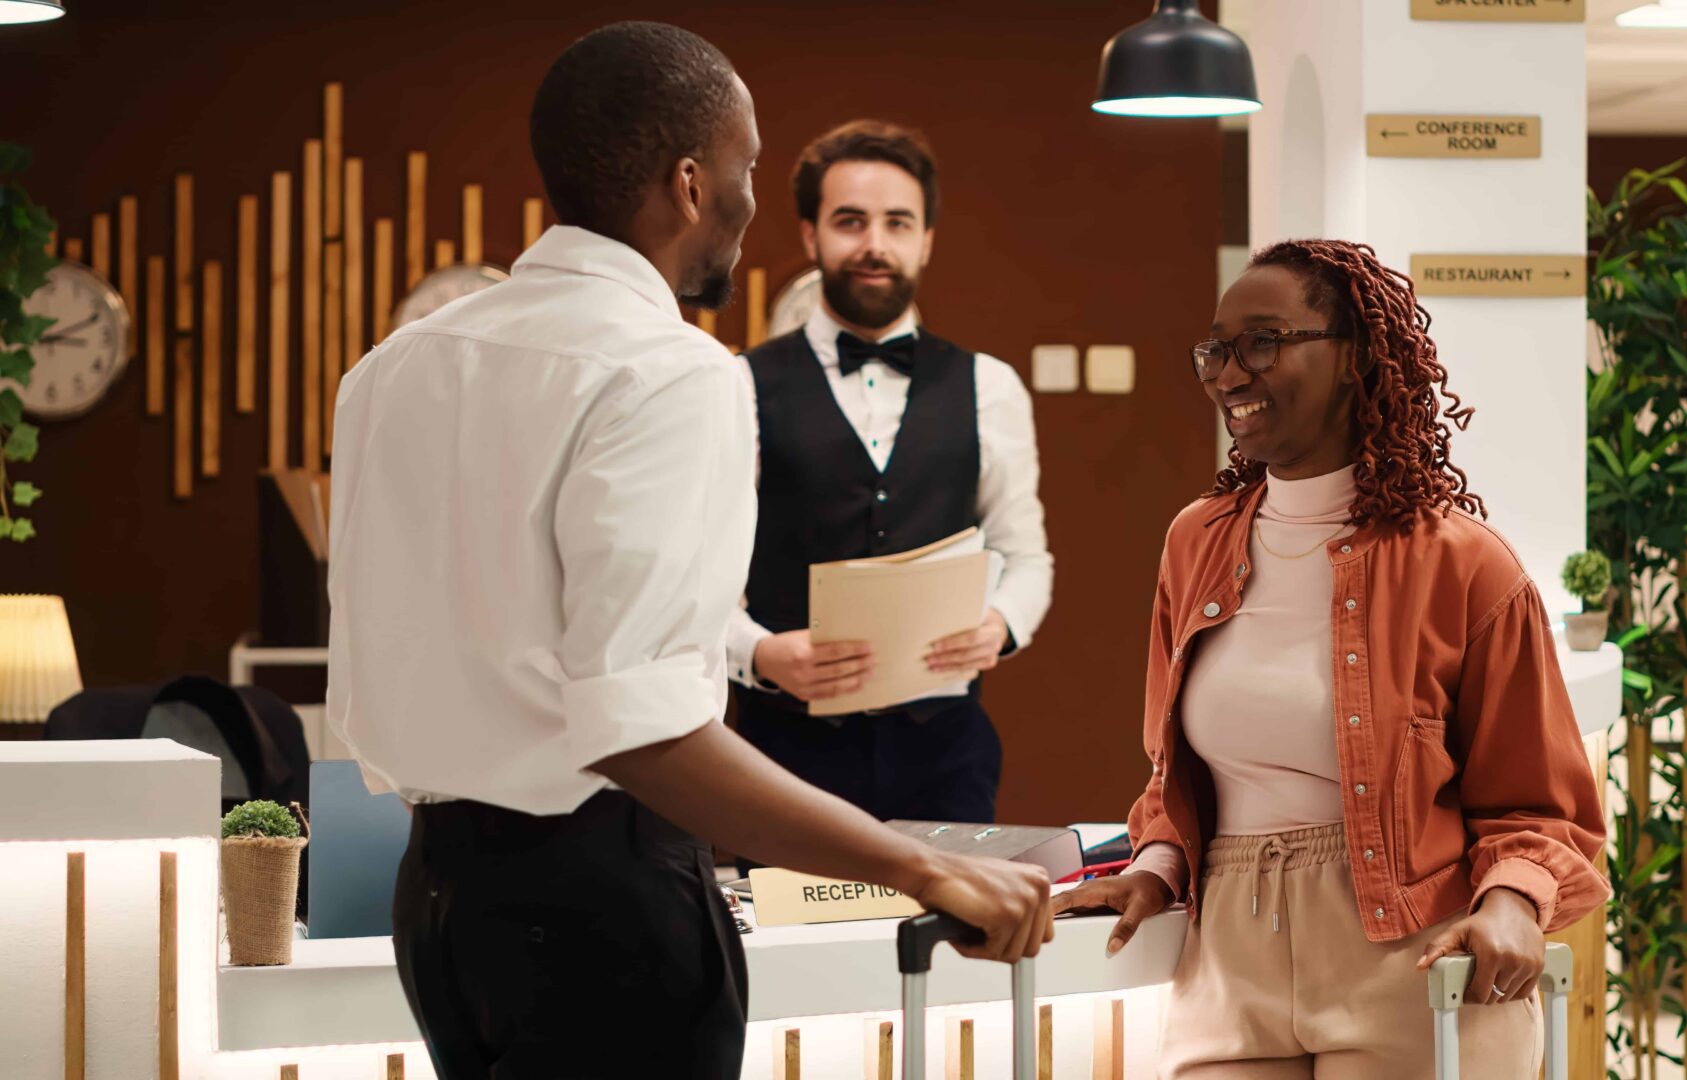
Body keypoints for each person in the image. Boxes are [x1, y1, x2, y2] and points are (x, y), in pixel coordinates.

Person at [326, 24, 1051, 1079]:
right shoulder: (671, 370)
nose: (753, 199)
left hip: (436, 907)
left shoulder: (388, 370)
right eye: (748, 167)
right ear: (689, 182)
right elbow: (642, 730)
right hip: (605, 913)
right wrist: (921, 867)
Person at [1050, 240, 1607, 1078]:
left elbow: (1539, 802)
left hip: (1412, 957)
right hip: (1230, 954)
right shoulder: (1194, 542)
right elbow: (1173, 773)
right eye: (1217, 350)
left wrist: (1513, 903)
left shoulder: (1464, 563)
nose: (1230, 374)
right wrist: (1157, 867)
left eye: (1263, 342)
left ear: (1355, 357)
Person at [726, 120, 1052, 831]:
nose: (875, 244)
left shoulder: (990, 386)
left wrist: (1001, 623)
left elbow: (1027, 555)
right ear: (810, 236)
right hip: (782, 754)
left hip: (946, 754)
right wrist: (757, 654)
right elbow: (691, 578)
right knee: (793, 940)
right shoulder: (737, 385)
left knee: (947, 940)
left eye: (897, 223)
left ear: (927, 239)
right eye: (850, 221)